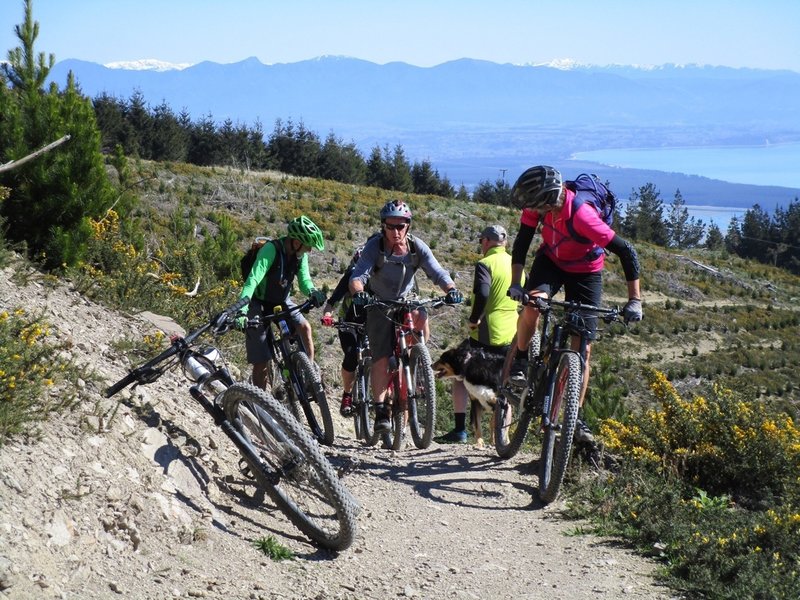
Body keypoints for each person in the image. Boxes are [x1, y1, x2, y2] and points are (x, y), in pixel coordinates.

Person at [506, 166, 643, 443]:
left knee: (583, 348)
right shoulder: (538, 204)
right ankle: (521, 359)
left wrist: (635, 300)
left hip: (586, 271)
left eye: (535, 207)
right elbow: (522, 241)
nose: (532, 211)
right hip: (551, 262)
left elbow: (627, 251)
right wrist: (516, 283)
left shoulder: (583, 216)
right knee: (533, 305)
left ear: (548, 200)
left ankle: (575, 416)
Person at [349, 199, 463, 435]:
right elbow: (358, 276)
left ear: (408, 226)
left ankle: (415, 365)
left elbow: (436, 270)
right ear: (383, 226)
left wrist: (451, 289)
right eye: (390, 226)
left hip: (407, 299)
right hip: (379, 302)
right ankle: (381, 409)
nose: (396, 231)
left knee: (422, 322)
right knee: (381, 357)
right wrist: (359, 293)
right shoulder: (375, 247)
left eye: (401, 226)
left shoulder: (416, 247)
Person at [435, 224, 519, 444]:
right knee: (504, 385)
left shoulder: (485, 263)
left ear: (486, 242)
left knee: (458, 373)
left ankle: (461, 430)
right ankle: (503, 437)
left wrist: (474, 318)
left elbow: (482, 292)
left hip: (486, 331)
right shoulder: (516, 265)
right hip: (511, 332)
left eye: (482, 241)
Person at [238, 215, 327, 391]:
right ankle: (261, 402)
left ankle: (308, 376)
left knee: (305, 328)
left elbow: (304, 280)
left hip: (280, 299)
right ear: (295, 241)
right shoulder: (271, 250)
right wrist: (242, 310)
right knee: (261, 361)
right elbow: (252, 281)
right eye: (307, 245)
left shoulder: (300, 255)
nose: (309, 250)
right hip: (258, 302)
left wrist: (312, 292)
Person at [320, 241, 373, 417]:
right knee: (351, 355)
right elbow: (332, 302)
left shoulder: (380, 278)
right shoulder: (350, 276)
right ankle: (347, 394)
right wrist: (328, 316)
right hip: (348, 322)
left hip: (372, 323)